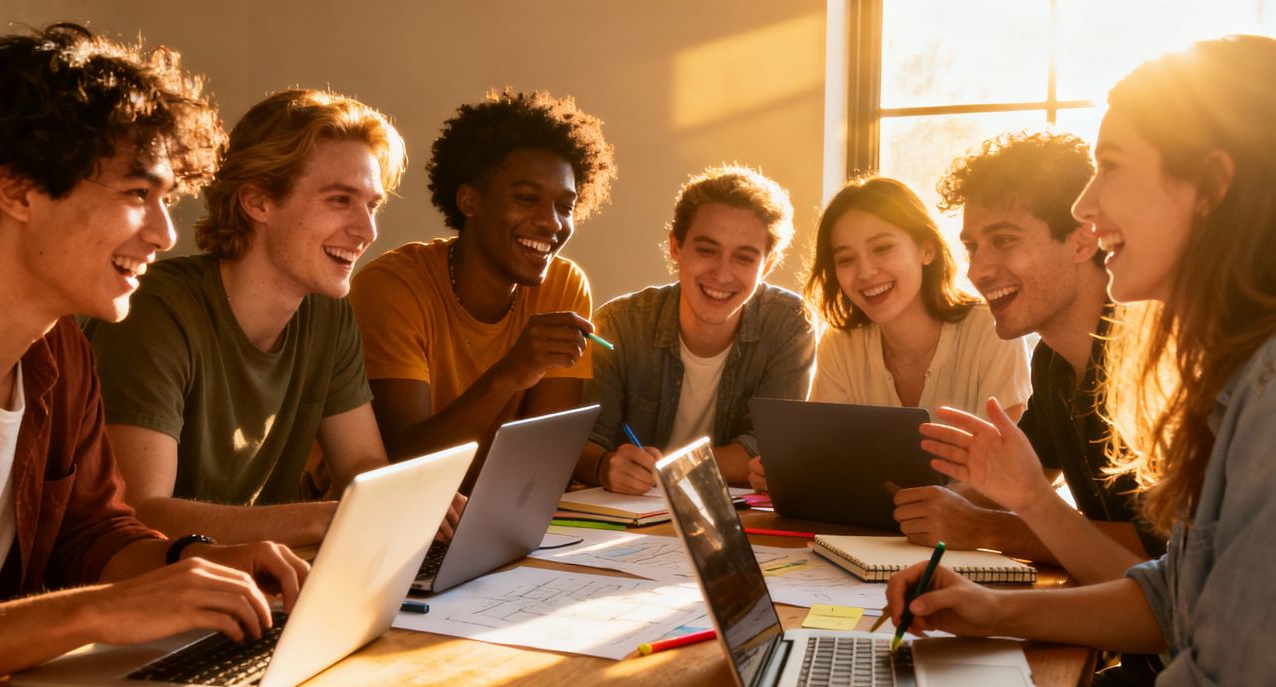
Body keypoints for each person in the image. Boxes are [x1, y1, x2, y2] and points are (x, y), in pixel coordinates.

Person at [892, 36, 1276, 687]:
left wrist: (1013, 517)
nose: (1086, 203)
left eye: (1112, 166)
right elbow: (1174, 597)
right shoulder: (1224, 378)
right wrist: (991, 609)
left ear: (1212, 187)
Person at [0, 23, 306, 687]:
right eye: (136, 195)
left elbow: (92, 534)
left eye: (165, 199)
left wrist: (194, 562)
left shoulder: (60, 345)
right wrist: (98, 612)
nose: (165, 234)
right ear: (18, 191)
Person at [86, 90, 403, 547]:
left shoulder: (328, 313)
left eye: (371, 205)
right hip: (166, 596)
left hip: (269, 585)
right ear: (257, 201)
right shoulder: (156, 310)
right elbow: (140, 515)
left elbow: (362, 468)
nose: (367, 231)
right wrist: (326, 520)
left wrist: (410, 499)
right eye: (340, 200)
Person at [920, 131, 1165, 581]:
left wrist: (984, 529)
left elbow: (1156, 556)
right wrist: (917, 507)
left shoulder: (1154, 366)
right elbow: (1012, 477)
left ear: (1081, 240)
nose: (977, 270)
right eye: (973, 247)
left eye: (1005, 240)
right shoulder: (1052, 360)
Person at [349, 89, 616, 465]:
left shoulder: (564, 286)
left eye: (564, 206)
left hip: (487, 512)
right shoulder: (392, 287)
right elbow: (402, 463)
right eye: (526, 198)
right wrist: (510, 374)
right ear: (469, 201)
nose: (551, 222)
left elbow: (539, 459)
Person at [747, 177, 1031, 490]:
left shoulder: (991, 330)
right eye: (846, 259)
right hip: (869, 531)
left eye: (882, 248)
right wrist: (789, 471)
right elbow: (828, 459)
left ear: (926, 249)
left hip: (965, 531)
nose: (865, 272)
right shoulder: (841, 343)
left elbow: (1003, 472)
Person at [575, 165, 815, 493]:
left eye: (744, 258)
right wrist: (605, 468)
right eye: (706, 250)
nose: (722, 273)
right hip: (628, 519)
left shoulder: (788, 323)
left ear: (767, 266)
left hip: (737, 517)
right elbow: (586, 444)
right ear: (676, 248)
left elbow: (768, 446)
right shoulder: (620, 323)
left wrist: (665, 470)